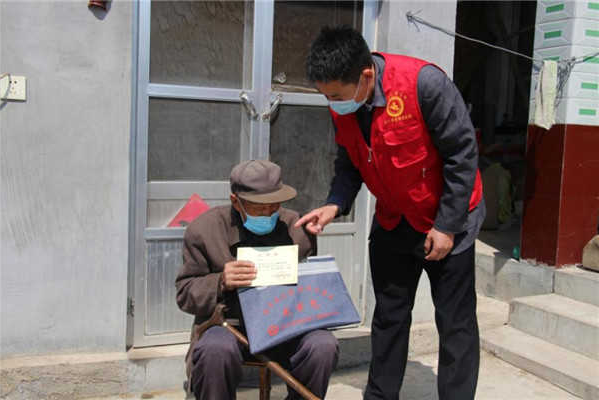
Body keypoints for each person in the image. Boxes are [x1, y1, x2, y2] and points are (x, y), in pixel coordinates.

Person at [296, 26, 486, 400]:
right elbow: (349, 163)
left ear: (366, 76)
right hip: (393, 219)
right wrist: (335, 204)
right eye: (326, 96)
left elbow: (463, 155)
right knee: (389, 317)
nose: (332, 104)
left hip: (448, 219)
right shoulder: (343, 104)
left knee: (455, 323)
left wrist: (447, 226)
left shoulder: (423, 85)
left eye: (336, 96)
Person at [175, 159, 339, 400]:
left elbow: (307, 290)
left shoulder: (296, 227)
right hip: (228, 326)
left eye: (275, 206)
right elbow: (185, 294)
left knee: (322, 345)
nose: (269, 214)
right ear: (236, 201)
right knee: (214, 351)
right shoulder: (204, 231)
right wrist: (220, 282)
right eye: (259, 209)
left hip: (286, 325)